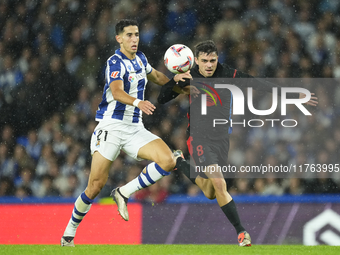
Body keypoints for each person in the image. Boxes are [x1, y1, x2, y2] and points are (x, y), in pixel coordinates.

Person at [157, 40, 318, 246]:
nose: (209, 65)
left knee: (209, 192)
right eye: (204, 61)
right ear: (196, 61)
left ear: (217, 59)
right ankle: (241, 232)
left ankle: (178, 161)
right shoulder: (189, 77)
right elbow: (162, 98)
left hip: (222, 140)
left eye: (212, 60)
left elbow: (257, 83)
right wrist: (174, 81)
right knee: (219, 182)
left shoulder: (227, 73)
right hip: (198, 137)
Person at [60, 19, 191, 247]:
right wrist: (138, 102)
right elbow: (117, 91)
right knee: (95, 186)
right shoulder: (115, 62)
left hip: (134, 129)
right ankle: (69, 233)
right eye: (129, 35)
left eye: (137, 34)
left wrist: (175, 82)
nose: (134, 39)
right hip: (110, 127)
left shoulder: (140, 58)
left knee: (169, 160)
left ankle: (123, 192)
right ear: (118, 38)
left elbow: (156, 77)